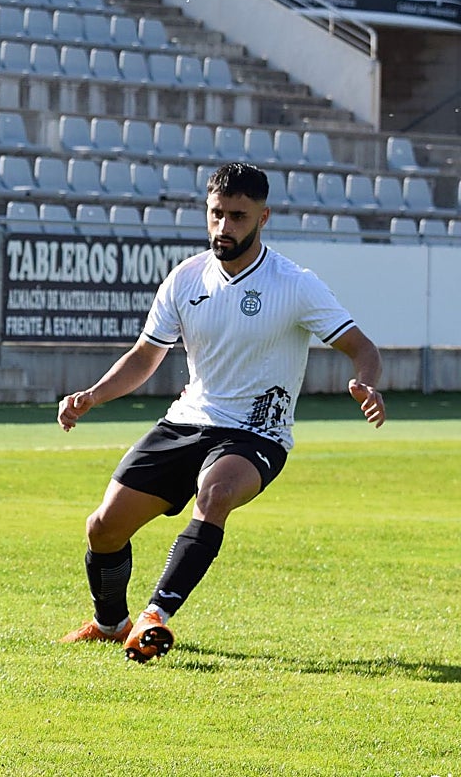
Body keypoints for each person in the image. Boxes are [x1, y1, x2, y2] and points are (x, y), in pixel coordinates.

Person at [57, 162, 385, 663]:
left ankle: (154, 618)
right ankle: (109, 623)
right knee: (102, 527)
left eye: (237, 216)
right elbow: (147, 357)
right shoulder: (186, 277)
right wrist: (92, 395)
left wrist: (365, 381)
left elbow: (363, 347)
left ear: (263, 217)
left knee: (215, 494)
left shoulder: (295, 284)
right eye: (216, 215)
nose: (224, 227)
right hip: (188, 421)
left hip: (257, 431)